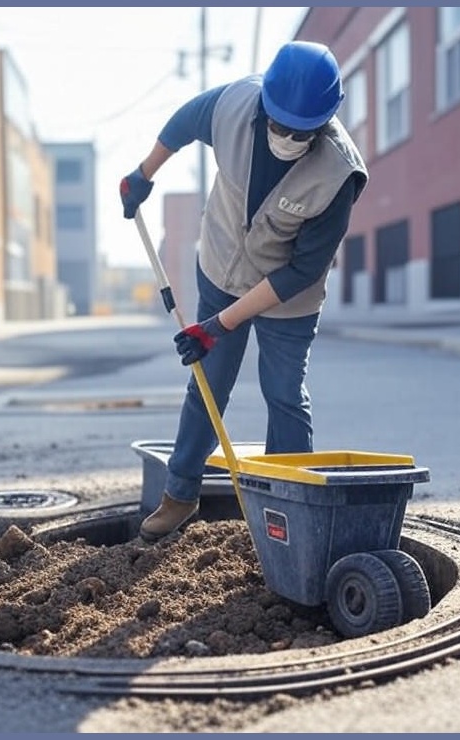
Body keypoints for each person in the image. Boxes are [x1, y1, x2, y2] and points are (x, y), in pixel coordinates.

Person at [119, 40, 368, 542]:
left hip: (290, 298)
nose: (288, 137)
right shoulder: (235, 104)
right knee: (208, 386)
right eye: (279, 125)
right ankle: (179, 495)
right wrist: (143, 173)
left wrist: (218, 324)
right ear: (265, 107)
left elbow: (301, 271)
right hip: (220, 269)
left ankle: (291, 511)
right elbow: (185, 122)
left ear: (324, 122)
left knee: (284, 395)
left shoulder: (339, 173)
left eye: (302, 132)